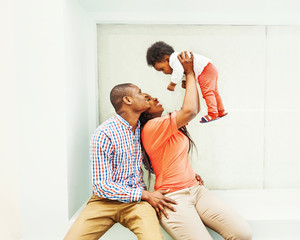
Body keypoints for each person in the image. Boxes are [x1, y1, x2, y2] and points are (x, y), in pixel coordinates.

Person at [140, 52, 252, 240]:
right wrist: (190, 72)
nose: (155, 99)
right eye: (148, 99)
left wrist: (187, 79)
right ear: (141, 110)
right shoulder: (152, 127)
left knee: (242, 234)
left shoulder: (169, 124)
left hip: (196, 190)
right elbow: (190, 110)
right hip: (173, 198)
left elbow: (192, 107)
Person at [64, 83, 178, 240]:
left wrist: (188, 176)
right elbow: (101, 185)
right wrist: (144, 194)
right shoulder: (104, 133)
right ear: (127, 100)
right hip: (104, 202)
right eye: (139, 92)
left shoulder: (144, 130)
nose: (145, 95)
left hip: (136, 203)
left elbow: (153, 164)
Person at [146, 41, 228, 123]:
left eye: (162, 69)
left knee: (207, 93)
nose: (164, 73)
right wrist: (185, 81)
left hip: (205, 70)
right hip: (209, 69)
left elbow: (179, 71)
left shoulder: (174, 59)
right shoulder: (178, 59)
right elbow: (184, 71)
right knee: (214, 92)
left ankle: (212, 113)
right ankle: (221, 110)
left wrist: (173, 84)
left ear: (166, 58)